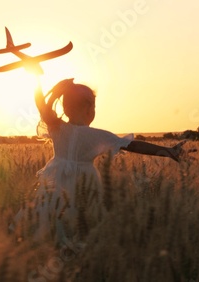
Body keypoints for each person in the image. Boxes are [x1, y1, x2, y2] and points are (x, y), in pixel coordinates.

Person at [11, 78, 188, 245]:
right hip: (85, 184)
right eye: (93, 105)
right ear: (90, 109)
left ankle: (37, 246)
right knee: (80, 221)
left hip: (54, 181)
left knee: (45, 216)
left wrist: (41, 79)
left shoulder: (57, 127)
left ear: (65, 108)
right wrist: (169, 152)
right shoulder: (97, 136)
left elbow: (42, 106)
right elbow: (133, 145)